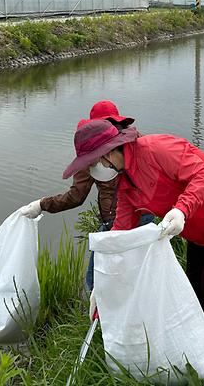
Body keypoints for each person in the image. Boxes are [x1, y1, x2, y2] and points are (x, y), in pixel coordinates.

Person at [62, 118, 204, 346]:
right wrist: (102, 286)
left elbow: (203, 176)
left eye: (94, 163)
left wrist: (181, 210)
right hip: (196, 227)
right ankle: (195, 343)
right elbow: (120, 233)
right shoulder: (125, 183)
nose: (94, 170)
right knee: (193, 286)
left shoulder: (157, 149)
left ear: (110, 151)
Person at [16, 100, 150, 289]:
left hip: (116, 224)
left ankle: (102, 316)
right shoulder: (134, 140)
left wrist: (41, 204)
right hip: (145, 217)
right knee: (139, 275)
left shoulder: (94, 152)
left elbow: (76, 196)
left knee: (95, 282)